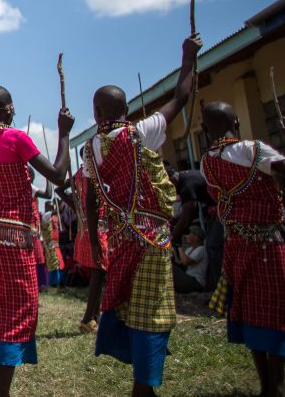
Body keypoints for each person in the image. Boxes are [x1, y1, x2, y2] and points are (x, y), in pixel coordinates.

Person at [84, 33, 201, 397]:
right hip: (151, 237)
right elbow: (180, 97)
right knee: (152, 311)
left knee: (131, 304)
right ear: (127, 110)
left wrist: (95, 241)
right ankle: (143, 388)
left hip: (119, 237)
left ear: (96, 114)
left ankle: (142, 383)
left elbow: (90, 199)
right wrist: (187, 58)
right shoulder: (141, 133)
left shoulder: (91, 148)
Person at [200, 101, 285, 397]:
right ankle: (277, 386)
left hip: (236, 246)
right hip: (266, 245)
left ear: (204, 129)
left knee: (252, 310)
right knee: (277, 309)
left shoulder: (206, 162)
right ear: (236, 123)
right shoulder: (253, 150)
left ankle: (266, 385)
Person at [0, 85, 73, 397]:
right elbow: (58, 175)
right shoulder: (17, 138)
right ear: (11, 110)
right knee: (15, 311)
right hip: (14, 238)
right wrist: (64, 133)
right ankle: (0, 392)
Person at [71, 161, 107, 334]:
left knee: (98, 271)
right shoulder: (91, 171)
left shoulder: (79, 174)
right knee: (99, 270)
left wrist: (79, 209)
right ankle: (87, 318)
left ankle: (95, 317)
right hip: (96, 225)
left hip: (88, 224)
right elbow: (92, 202)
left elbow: (60, 190)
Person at [171, 225, 206, 293]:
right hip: (189, 278)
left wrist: (179, 246)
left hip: (197, 282)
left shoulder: (201, 249)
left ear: (196, 236)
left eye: (188, 234)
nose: (186, 236)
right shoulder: (189, 249)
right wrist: (173, 248)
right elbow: (179, 262)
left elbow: (185, 262)